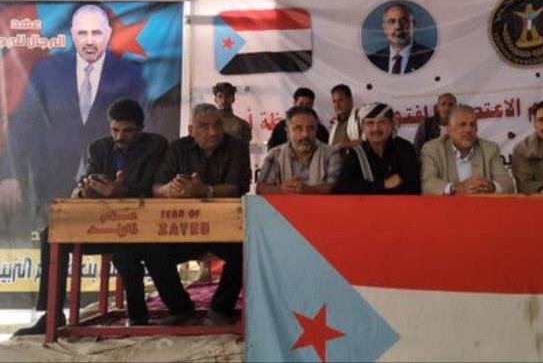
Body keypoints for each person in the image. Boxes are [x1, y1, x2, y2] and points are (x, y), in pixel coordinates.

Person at [14, 99, 166, 335]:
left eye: (127, 131)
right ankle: (52, 314)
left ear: (141, 129)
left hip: (140, 226)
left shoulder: (155, 145)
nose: (120, 136)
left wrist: (121, 192)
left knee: (125, 249)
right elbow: (88, 181)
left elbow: (152, 188)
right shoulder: (98, 148)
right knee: (52, 234)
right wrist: (86, 190)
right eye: (115, 130)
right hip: (102, 224)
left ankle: (138, 315)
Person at [0, 3, 145, 227]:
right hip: (51, 181)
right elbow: (24, 123)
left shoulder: (130, 74)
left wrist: (131, 183)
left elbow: (143, 130)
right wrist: (10, 174)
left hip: (107, 185)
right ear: (72, 34)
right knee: (52, 240)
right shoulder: (46, 70)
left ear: (108, 34)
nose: (89, 41)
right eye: (82, 33)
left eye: (96, 33)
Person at [150, 104, 249, 325]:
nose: (213, 132)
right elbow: (157, 187)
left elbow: (237, 187)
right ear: (191, 130)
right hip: (185, 228)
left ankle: (220, 310)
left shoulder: (237, 147)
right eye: (204, 126)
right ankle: (181, 309)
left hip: (224, 229)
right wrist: (170, 190)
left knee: (246, 251)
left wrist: (205, 191)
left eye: (217, 125)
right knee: (153, 251)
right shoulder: (177, 148)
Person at [421, 104, 515, 195]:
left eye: (472, 125)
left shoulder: (489, 149)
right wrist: (456, 188)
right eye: (462, 125)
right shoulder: (432, 149)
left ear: (477, 129)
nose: (468, 130)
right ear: (449, 129)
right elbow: (427, 185)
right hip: (447, 205)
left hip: (481, 204)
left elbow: (508, 184)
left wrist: (491, 187)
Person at [333, 103, 420, 194]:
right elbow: (341, 188)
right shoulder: (357, 153)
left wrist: (368, 189)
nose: (376, 128)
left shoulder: (404, 148)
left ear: (391, 124)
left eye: (382, 122)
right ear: (363, 127)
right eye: (370, 123)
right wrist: (382, 185)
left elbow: (413, 187)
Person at [257, 106, 340, 194]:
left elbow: (335, 188)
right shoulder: (275, 154)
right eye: (298, 128)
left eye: (310, 128)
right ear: (288, 131)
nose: (305, 134)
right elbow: (260, 188)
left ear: (316, 129)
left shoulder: (331, 153)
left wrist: (308, 190)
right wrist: (281, 189)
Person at [366, 3, 434, 74]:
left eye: (404, 21)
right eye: (392, 21)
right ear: (384, 28)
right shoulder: (372, 60)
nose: (398, 26)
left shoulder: (430, 58)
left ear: (413, 24)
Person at [328, 84, 361, 150]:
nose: (337, 105)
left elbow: (370, 141)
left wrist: (346, 145)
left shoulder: (360, 117)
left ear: (350, 100)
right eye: (334, 101)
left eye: (340, 100)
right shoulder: (335, 124)